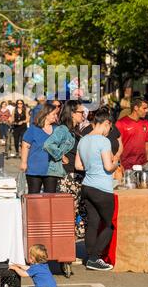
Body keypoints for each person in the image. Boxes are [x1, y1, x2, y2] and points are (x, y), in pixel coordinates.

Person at [75, 107, 119, 271]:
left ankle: (89, 256)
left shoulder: (83, 140)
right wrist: (116, 163)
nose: (109, 131)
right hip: (102, 188)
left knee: (92, 223)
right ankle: (95, 258)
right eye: (110, 127)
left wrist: (92, 165)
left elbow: (78, 165)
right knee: (108, 225)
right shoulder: (103, 141)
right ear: (106, 123)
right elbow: (108, 167)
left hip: (87, 185)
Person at [47, 100, 86, 238]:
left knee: (77, 213)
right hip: (67, 177)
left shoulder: (75, 131)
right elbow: (49, 145)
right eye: (81, 112)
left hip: (77, 177)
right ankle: (66, 252)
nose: (84, 115)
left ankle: (72, 248)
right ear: (72, 113)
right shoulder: (63, 129)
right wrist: (61, 156)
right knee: (68, 214)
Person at [21, 103, 57, 194]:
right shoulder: (33, 129)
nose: (55, 116)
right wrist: (23, 162)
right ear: (46, 114)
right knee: (34, 197)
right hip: (34, 170)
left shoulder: (57, 129)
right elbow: (25, 146)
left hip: (51, 171)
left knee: (50, 198)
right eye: (53, 114)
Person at [115, 98, 148, 171]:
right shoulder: (121, 123)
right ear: (136, 108)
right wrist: (118, 163)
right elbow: (116, 145)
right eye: (144, 108)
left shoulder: (146, 123)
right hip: (126, 165)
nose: (147, 111)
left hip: (143, 165)